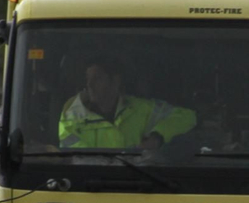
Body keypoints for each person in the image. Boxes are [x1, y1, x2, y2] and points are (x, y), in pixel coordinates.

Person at [58, 59, 196, 150]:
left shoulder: (142, 108)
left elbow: (187, 117)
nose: (90, 85)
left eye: (97, 78)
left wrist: (156, 138)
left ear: (115, 81)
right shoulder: (72, 116)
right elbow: (75, 160)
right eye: (88, 79)